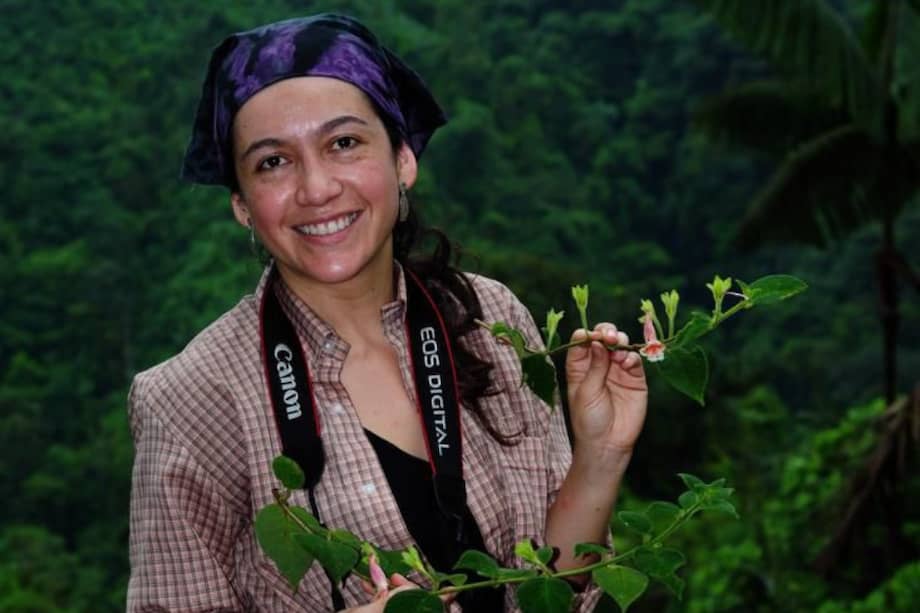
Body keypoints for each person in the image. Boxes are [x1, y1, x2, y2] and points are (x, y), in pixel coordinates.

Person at [127, 13, 647, 613]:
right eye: (273, 162)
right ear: (243, 205)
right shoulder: (190, 398)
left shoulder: (486, 318)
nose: (316, 187)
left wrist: (602, 454)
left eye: (343, 143)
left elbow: (551, 588)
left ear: (403, 159)